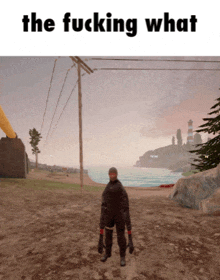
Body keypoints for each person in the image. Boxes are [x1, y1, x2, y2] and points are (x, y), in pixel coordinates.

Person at [98, 167, 134, 266]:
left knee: (121, 237)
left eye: (114, 174)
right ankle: (107, 253)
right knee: (108, 236)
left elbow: (126, 205)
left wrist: (127, 220)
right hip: (109, 215)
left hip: (119, 216)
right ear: (109, 175)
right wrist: (103, 218)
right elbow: (103, 203)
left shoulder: (120, 187)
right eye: (110, 174)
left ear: (116, 174)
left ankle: (122, 256)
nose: (112, 175)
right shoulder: (107, 187)